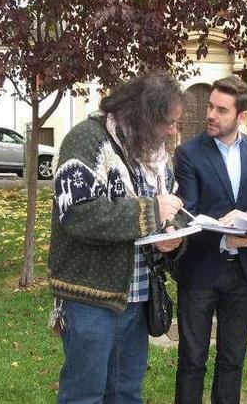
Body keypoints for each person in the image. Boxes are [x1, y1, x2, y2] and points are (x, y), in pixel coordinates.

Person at [48, 73, 186, 404]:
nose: (173, 131)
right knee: (84, 396)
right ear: (143, 116)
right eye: (168, 122)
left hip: (136, 298)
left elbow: (173, 206)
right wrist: (152, 213)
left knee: (125, 393)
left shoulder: (156, 155)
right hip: (90, 297)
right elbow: (78, 214)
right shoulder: (86, 140)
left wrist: (173, 236)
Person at [173, 76, 247, 404]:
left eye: (221, 109)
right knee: (192, 361)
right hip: (199, 270)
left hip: (242, 272)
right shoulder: (188, 153)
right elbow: (186, 213)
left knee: (233, 360)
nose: (211, 114)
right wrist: (224, 236)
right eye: (210, 106)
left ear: (241, 116)